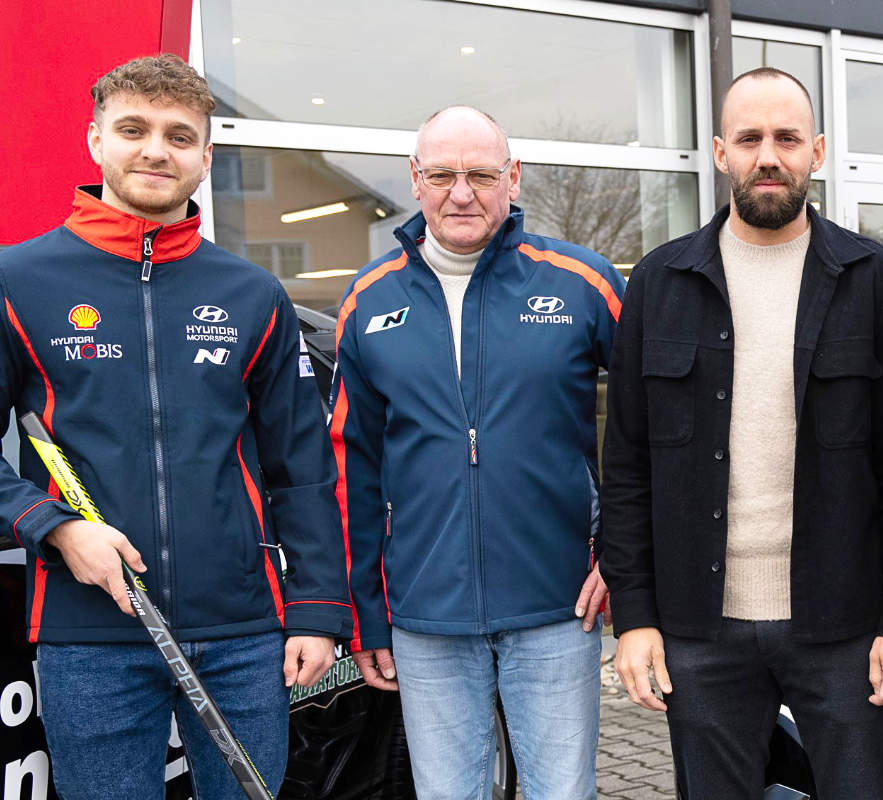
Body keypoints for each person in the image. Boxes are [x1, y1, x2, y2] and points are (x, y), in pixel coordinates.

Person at [0, 54, 350, 797]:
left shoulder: (252, 293)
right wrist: (55, 526)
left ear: (205, 158)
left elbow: (303, 465)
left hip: (242, 633)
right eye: (133, 129)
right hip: (88, 631)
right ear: (96, 141)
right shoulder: (18, 280)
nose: (156, 149)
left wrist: (317, 610)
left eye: (179, 135)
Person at [600, 67, 883, 799]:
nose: (768, 156)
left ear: (816, 151)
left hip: (845, 627)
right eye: (750, 138)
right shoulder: (660, 283)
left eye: (786, 138)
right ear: (721, 152)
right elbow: (626, 466)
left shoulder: (872, 279)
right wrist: (635, 619)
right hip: (699, 627)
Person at [334, 105, 624, 799]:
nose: (461, 193)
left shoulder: (583, 284)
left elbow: (655, 432)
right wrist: (366, 613)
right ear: (415, 180)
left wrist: (621, 556)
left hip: (559, 606)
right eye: (442, 174)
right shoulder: (369, 302)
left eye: (480, 174)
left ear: (513, 178)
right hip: (425, 616)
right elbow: (353, 466)